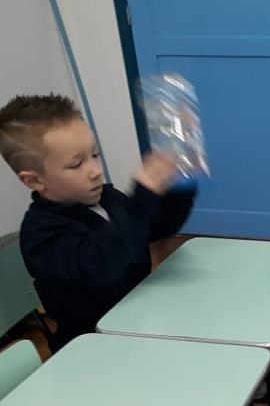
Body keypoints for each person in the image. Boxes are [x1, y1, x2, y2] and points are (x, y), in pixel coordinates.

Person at [0, 93, 196, 353]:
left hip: (136, 319)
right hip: (91, 346)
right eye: (77, 164)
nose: (96, 170)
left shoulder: (107, 198)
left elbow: (153, 229)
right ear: (35, 180)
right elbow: (101, 265)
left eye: (95, 155)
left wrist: (178, 184)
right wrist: (143, 195)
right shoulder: (41, 233)